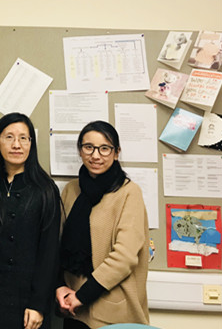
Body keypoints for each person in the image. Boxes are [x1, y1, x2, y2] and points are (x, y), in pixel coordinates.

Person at [0, 113, 61, 329]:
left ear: (31, 144)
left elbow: (49, 253)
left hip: (26, 300)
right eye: (9, 137)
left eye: (23, 138)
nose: (16, 145)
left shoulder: (45, 190)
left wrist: (38, 304)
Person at [56, 121, 149, 329]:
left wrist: (83, 295)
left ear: (116, 153)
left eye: (104, 148)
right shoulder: (71, 190)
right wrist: (59, 286)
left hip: (111, 312)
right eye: (88, 147)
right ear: (80, 150)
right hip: (73, 308)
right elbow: (57, 246)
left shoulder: (128, 192)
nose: (95, 156)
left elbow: (124, 256)